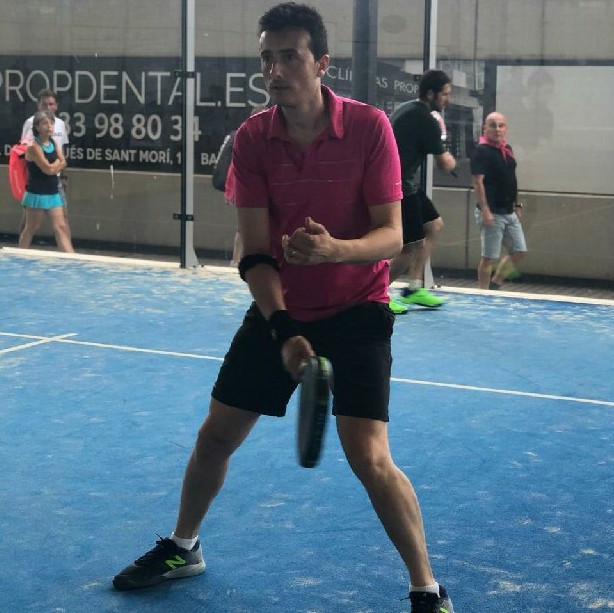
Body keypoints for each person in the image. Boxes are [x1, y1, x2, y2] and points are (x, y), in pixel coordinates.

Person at [112, 4, 454, 612]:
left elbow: (391, 236)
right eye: (266, 58)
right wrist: (283, 329)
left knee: (370, 457)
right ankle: (184, 547)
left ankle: (426, 589)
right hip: (283, 311)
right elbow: (254, 251)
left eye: (289, 56)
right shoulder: (252, 139)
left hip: (358, 311)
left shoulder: (370, 127)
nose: (274, 69)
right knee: (216, 435)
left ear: (321, 64)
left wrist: (332, 251)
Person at [387, 70, 457, 314]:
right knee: (410, 246)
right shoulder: (427, 120)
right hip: (398, 187)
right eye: (444, 94)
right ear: (430, 94)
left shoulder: (407, 109)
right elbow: (445, 164)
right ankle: (376, 295)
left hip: (406, 183)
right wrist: (452, 159)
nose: (447, 99)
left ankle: (413, 288)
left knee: (433, 225)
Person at [471, 112, 527, 290]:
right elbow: (478, 182)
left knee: (519, 251)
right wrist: (485, 210)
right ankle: (483, 292)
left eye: (501, 125)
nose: (497, 129)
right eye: (493, 125)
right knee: (489, 256)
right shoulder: (481, 151)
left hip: (508, 211)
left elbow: (511, 178)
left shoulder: (506, 149)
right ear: (485, 128)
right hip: (492, 211)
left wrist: (516, 203)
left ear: (506, 129)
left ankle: (495, 284)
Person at [212, 105, 267, 266]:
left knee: (247, 227)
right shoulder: (246, 138)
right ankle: (236, 260)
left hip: (257, 189)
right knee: (244, 227)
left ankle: (238, 260)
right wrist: (231, 191)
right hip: (249, 190)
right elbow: (234, 169)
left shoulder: (261, 139)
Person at [18, 111, 73, 252]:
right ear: (37, 127)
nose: (49, 126)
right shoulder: (33, 147)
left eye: (51, 123)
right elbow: (47, 169)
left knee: (60, 227)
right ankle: (19, 255)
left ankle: (71, 259)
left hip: (53, 192)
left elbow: (64, 162)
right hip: (37, 193)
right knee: (31, 228)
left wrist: (55, 166)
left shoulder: (53, 142)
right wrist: (57, 164)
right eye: (45, 123)